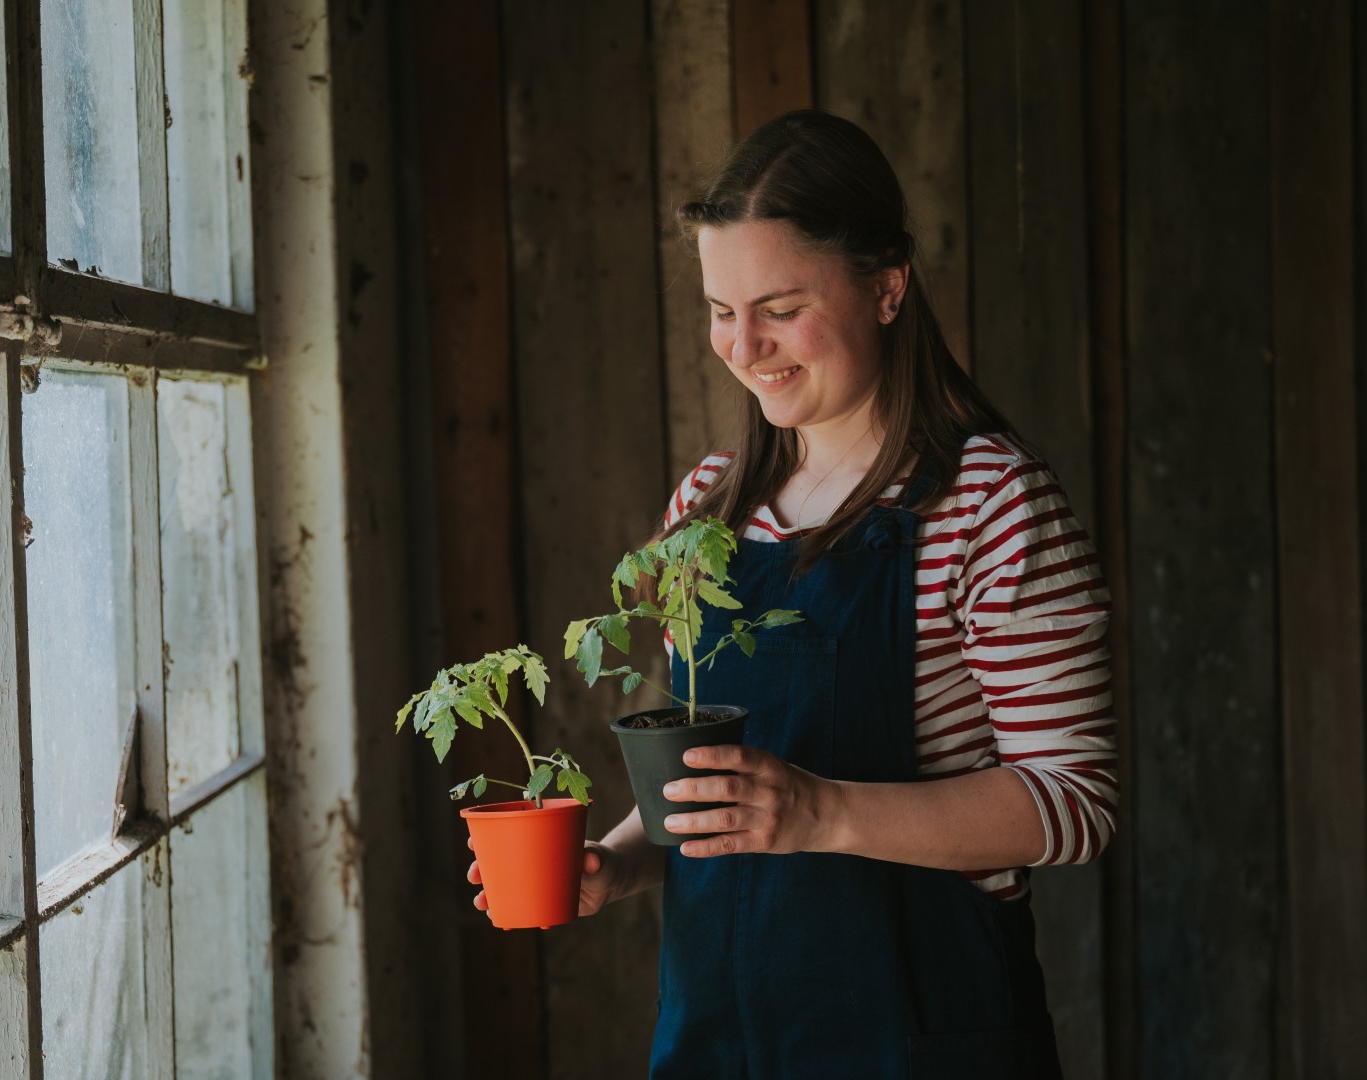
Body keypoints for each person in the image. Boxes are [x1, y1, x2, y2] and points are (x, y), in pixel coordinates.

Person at [469, 109, 1116, 1078]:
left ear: (887, 286)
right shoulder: (706, 507)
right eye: (720, 309)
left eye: (778, 305)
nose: (743, 344)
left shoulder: (987, 501)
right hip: (721, 1040)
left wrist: (826, 813)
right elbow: (703, 785)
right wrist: (615, 863)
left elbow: (1072, 804)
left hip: (923, 1035)